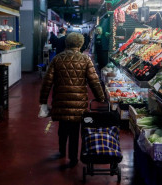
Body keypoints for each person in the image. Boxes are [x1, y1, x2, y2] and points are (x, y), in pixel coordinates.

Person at [39, 32, 105, 168]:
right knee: (75, 131)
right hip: (78, 103)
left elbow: (47, 82)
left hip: (61, 101)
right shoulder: (85, 60)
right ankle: (73, 158)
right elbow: (94, 81)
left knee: (62, 128)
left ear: (66, 43)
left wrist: (43, 101)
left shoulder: (57, 59)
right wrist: (100, 97)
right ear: (80, 44)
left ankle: (62, 151)